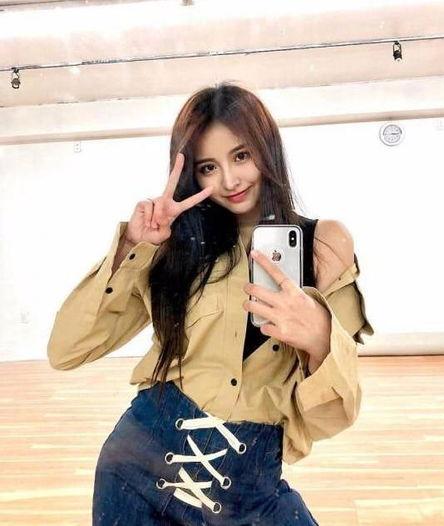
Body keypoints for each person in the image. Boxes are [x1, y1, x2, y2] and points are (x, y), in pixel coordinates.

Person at [47, 82, 374, 525]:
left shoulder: (323, 246)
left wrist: (320, 340)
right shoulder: (174, 246)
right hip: (134, 474)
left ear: (267, 149)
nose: (230, 180)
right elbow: (66, 350)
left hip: (248, 491)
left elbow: (332, 417)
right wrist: (133, 247)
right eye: (208, 167)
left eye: (241, 156)